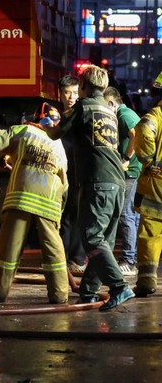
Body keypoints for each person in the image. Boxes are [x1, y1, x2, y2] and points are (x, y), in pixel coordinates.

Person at [50, 65, 134, 311]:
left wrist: (39, 127)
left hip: (98, 183)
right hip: (118, 183)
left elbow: (57, 133)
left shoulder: (83, 107)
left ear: (84, 86)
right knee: (104, 240)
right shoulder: (108, 110)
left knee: (92, 237)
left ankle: (119, 287)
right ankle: (88, 292)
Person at [0, 103, 69, 304]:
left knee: (9, 248)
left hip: (21, 198)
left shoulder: (24, 130)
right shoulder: (59, 144)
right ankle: (59, 294)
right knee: (53, 249)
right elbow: (65, 183)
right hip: (49, 204)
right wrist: (59, 212)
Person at [104, 86, 141, 277]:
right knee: (132, 216)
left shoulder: (124, 115)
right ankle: (132, 258)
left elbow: (135, 134)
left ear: (111, 103)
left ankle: (129, 260)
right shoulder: (127, 113)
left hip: (131, 172)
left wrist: (126, 157)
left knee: (125, 215)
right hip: (135, 171)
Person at [132, 75, 162, 297]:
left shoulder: (156, 115)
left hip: (157, 185)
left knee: (151, 231)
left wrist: (150, 161)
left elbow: (143, 130)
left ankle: (147, 281)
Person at [54, 74, 85, 277]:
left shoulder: (82, 114)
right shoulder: (56, 117)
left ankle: (78, 259)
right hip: (58, 173)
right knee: (61, 216)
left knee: (77, 216)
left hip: (78, 172)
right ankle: (62, 259)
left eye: (75, 92)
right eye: (68, 92)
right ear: (60, 94)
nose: (71, 97)